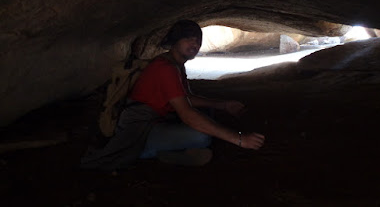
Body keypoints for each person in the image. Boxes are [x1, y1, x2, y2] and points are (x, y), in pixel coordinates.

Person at [81, 20, 264, 170]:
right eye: (188, 39)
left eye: (197, 40)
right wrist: (240, 139)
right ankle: (146, 151)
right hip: (140, 127)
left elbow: (185, 98)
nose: (195, 44)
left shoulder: (175, 64)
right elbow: (186, 113)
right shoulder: (165, 68)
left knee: (207, 115)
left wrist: (222, 105)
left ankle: (168, 148)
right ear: (175, 41)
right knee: (202, 136)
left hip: (157, 119)